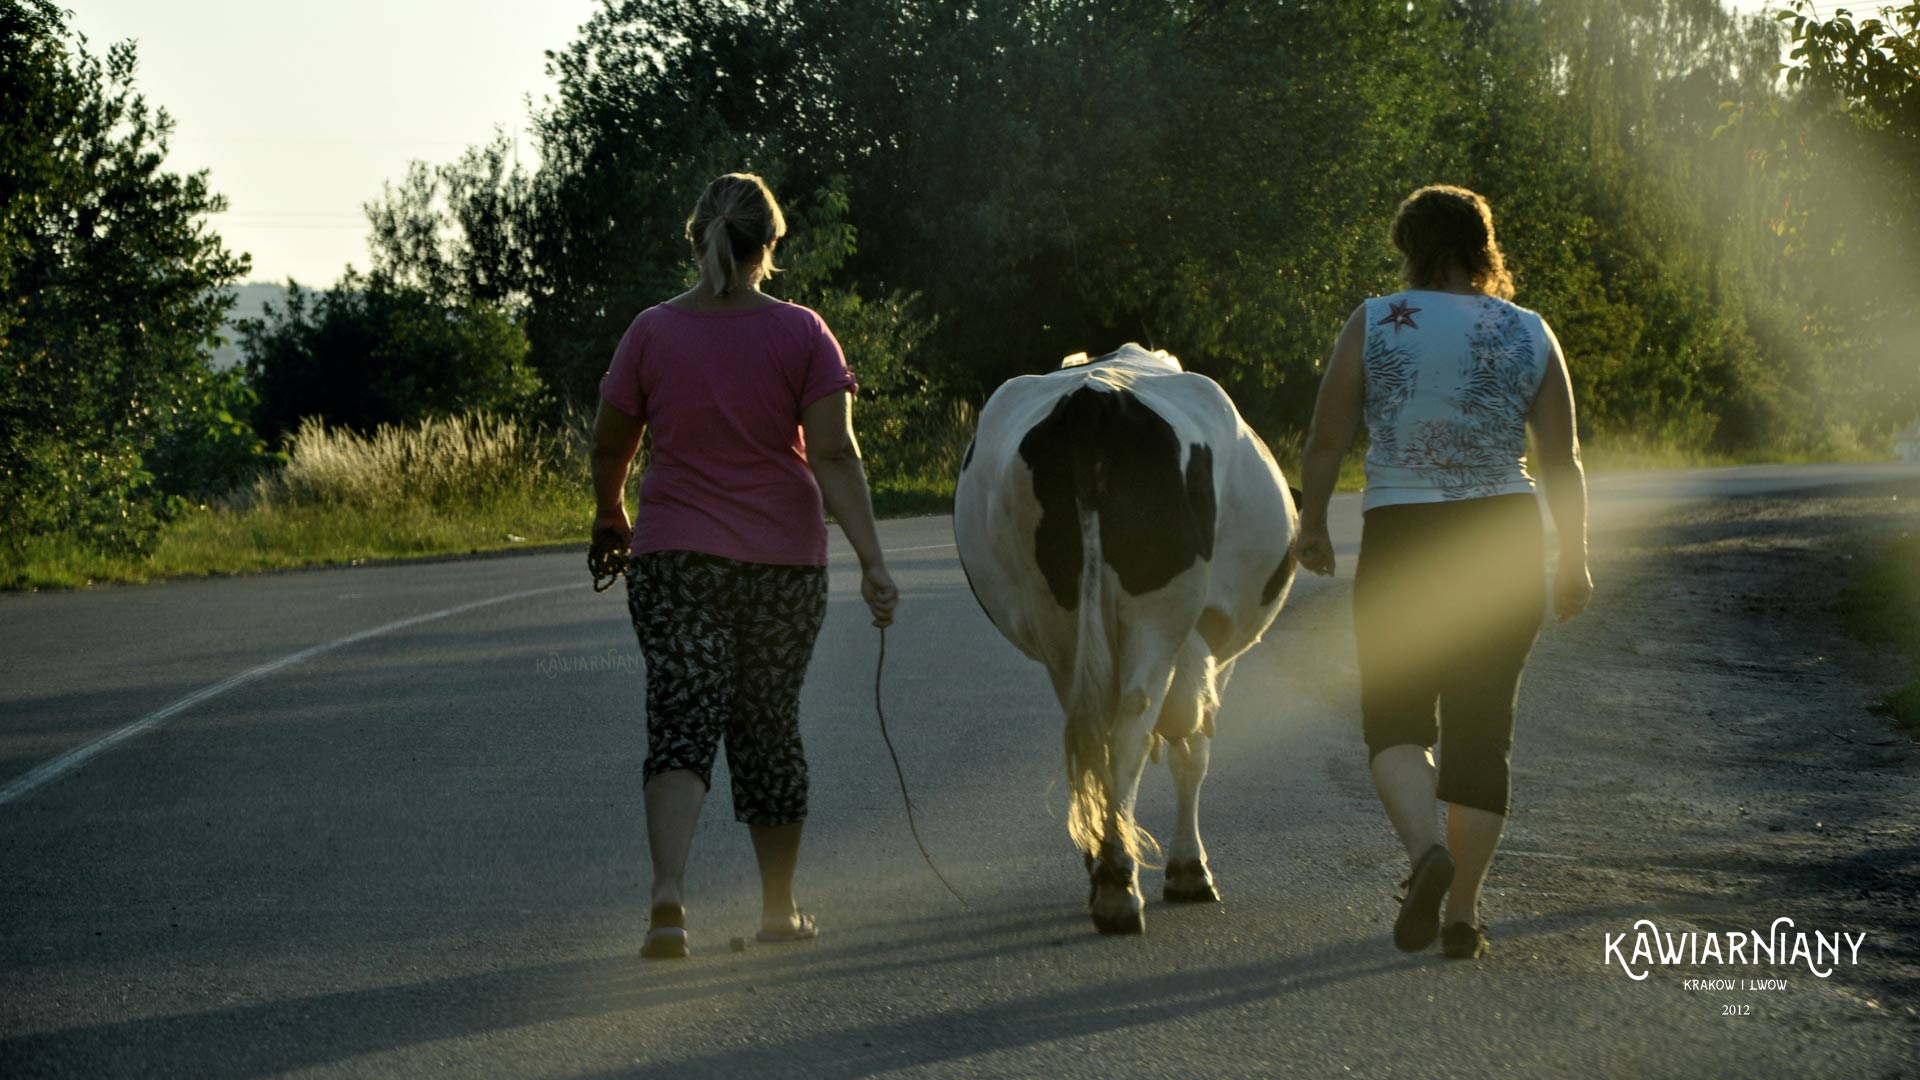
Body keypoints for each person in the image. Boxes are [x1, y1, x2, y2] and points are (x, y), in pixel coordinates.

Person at [589, 172, 900, 959]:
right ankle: (777, 909)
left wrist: (610, 513)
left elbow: (610, 443)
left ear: (697, 240)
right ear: (770, 245)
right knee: (767, 727)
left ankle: (668, 903)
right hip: (781, 566)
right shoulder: (803, 334)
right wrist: (873, 561)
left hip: (675, 560)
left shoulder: (651, 332)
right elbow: (832, 453)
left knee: (682, 715)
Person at [1290, 185, 1593, 960]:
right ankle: (1462, 914)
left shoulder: (1376, 320)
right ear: (1484, 248)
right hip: (1503, 537)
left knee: (1394, 721)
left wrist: (1313, 523)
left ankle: (1426, 852)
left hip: (1403, 533)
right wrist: (1575, 557)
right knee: (1480, 732)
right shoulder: (1529, 330)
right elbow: (1561, 460)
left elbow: (1327, 440)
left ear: (1410, 249)